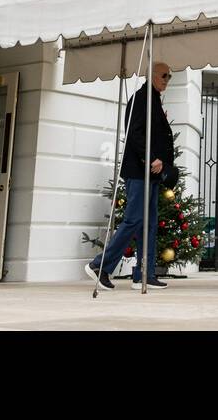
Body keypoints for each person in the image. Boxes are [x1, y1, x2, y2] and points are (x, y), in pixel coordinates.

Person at [86, 62, 176, 291]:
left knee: (149, 224)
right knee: (134, 220)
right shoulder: (142, 98)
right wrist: (150, 158)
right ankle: (100, 266)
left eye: (170, 76)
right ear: (153, 76)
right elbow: (134, 133)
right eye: (164, 75)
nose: (167, 79)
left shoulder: (153, 98)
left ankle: (143, 273)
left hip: (152, 174)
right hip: (140, 172)